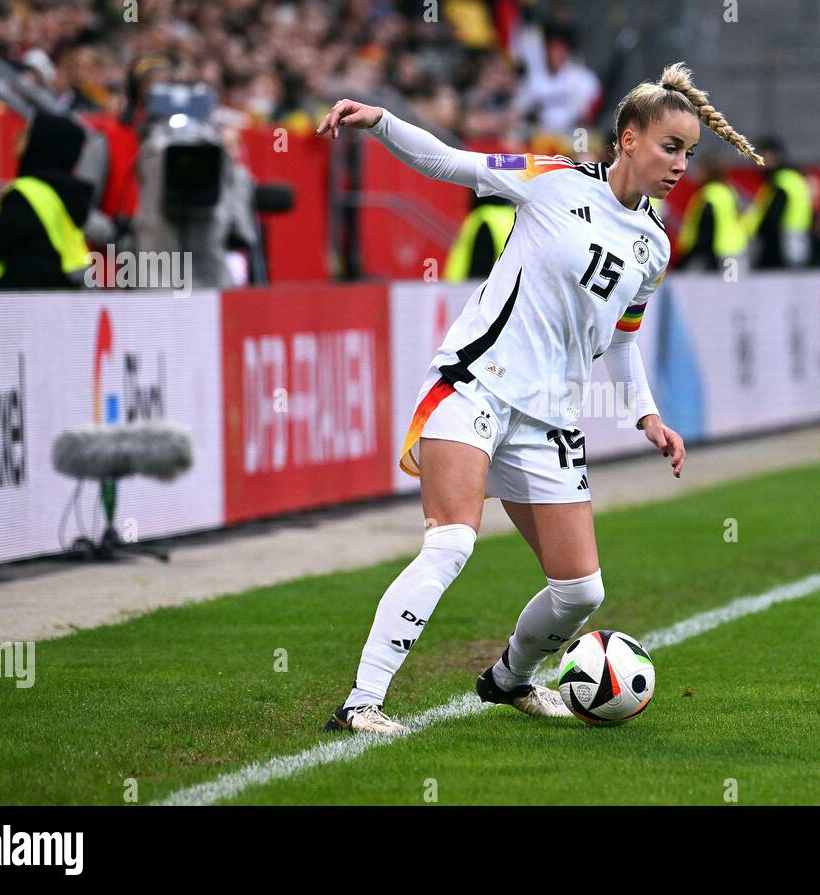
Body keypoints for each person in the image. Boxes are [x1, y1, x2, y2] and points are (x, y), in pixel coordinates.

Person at [315, 61, 761, 734]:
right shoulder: (551, 178)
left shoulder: (654, 246)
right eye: (671, 147)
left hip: (549, 419)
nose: (680, 165)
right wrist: (381, 122)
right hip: (475, 384)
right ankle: (360, 703)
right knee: (451, 543)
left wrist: (647, 415)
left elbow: (622, 340)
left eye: (689, 154)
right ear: (630, 138)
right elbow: (450, 162)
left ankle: (509, 679)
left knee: (580, 590)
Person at [0, 112, 92, 290]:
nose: (16, 136)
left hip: (25, 297)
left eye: (25, 133)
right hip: (60, 293)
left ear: (40, 144)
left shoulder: (27, 193)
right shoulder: (63, 194)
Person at [742, 136, 811, 268]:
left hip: (782, 244)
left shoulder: (781, 181)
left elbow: (772, 217)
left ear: (775, 157)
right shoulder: (791, 178)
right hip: (794, 241)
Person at [675, 154, 749, 271]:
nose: (695, 173)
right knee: (734, 282)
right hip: (735, 250)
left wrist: (687, 259)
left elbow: (706, 231)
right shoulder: (728, 190)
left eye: (699, 169)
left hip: (719, 255)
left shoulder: (710, 195)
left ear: (707, 172)